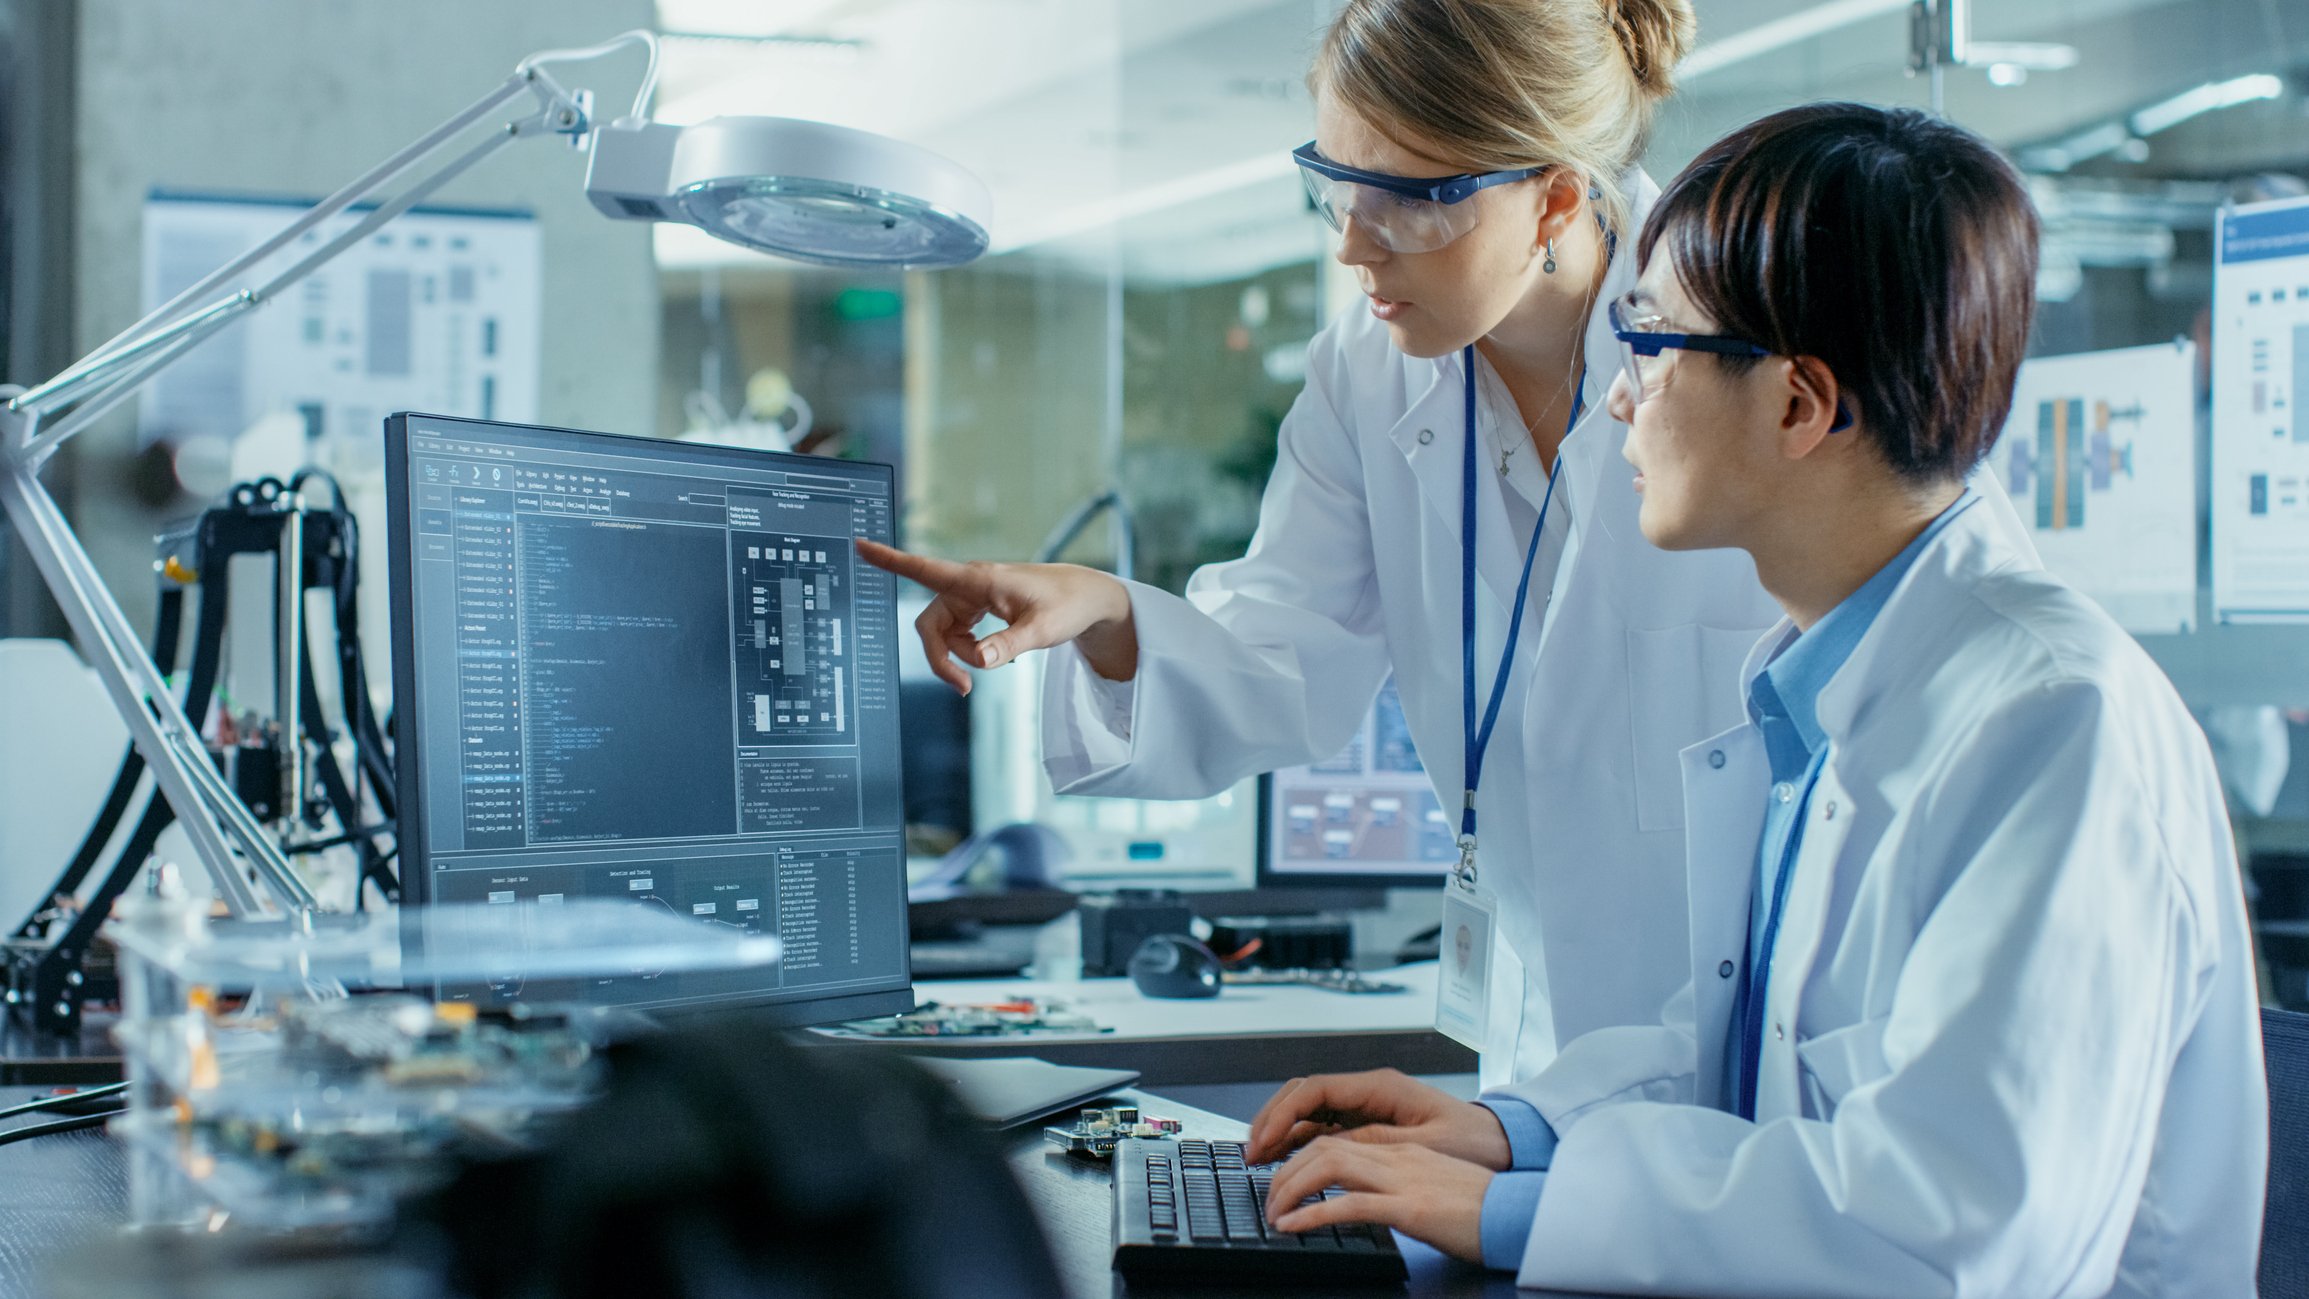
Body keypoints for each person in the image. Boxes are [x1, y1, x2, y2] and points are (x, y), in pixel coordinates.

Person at [1244, 102, 2269, 1295]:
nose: (1618, 400)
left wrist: (1514, 1212)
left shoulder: (2052, 726)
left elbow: (1943, 1231)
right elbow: (1751, 1054)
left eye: (1653, 342)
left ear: (1798, 404)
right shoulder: (1834, 679)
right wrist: (1512, 1134)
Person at [863, 0, 1792, 1086]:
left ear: (1550, 197)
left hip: (1762, 1056)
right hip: (1540, 1054)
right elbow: (1285, 654)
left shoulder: (1747, 342)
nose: (1352, 245)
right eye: (1334, 188)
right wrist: (1104, 612)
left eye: (1407, 201)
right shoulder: (1368, 367)